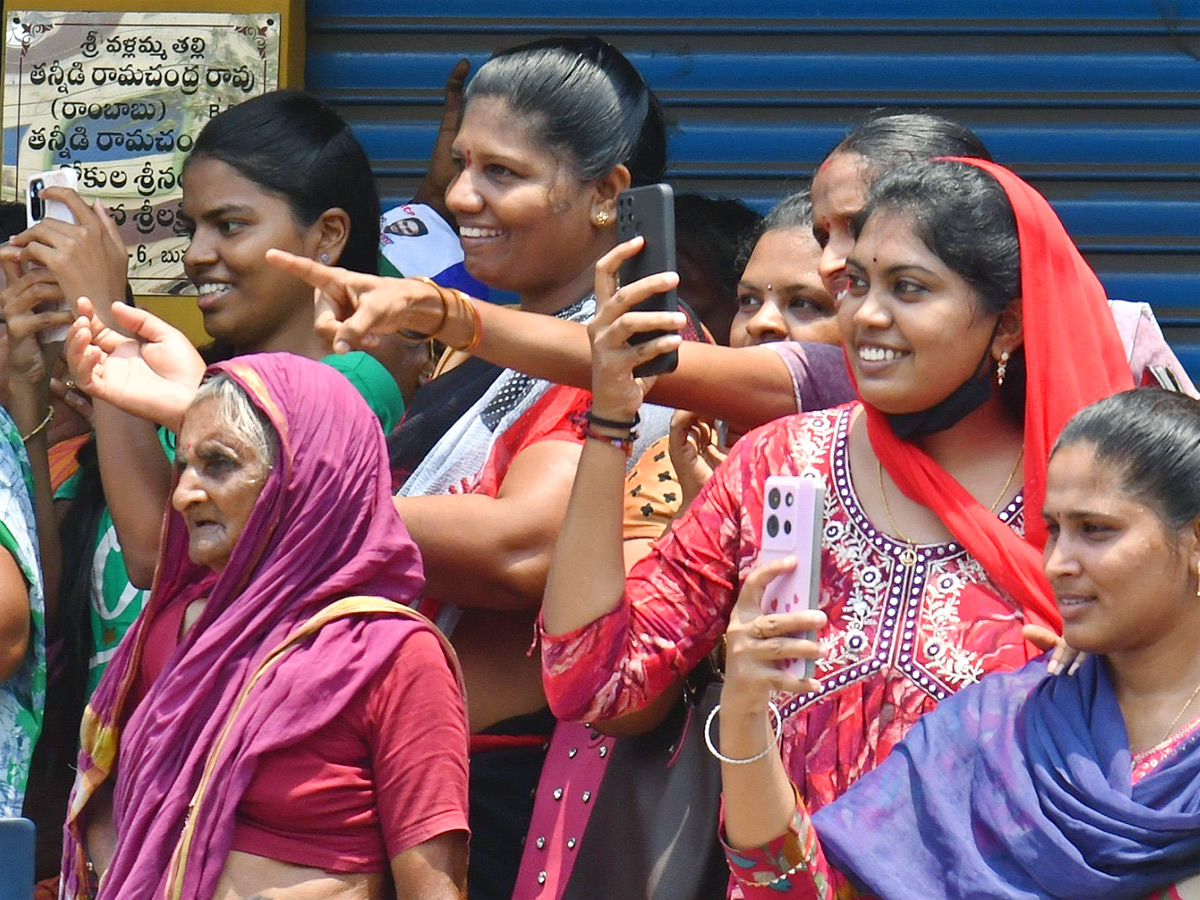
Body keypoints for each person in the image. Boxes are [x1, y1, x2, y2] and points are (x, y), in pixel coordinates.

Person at [84, 36, 675, 900]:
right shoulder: (471, 357)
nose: (462, 194)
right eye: (464, 163)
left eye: (501, 173)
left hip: (502, 793)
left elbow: (522, 549)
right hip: (386, 783)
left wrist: (281, 465)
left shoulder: (645, 358)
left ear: (605, 195)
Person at [537, 157, 1136, 898]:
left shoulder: (1090, 507)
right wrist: (609, 417)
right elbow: (595, 683)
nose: (867, 316)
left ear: (1006, 322)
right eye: (856, 284)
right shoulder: (779, 464)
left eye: (909, 288)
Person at [292, 113, 1191, 437]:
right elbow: (639, 365)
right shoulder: (827, 399)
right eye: (829, 230)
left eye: (871, 242)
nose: (835, 263)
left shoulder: (1116, 368)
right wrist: (443, 311)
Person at [716, 387, 1200, 899]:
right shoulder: (1004, 725)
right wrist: (745, 718)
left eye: (1096, 530)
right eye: (1054, 529)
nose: (1057, 562)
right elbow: (810, 894)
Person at [58, 351, 468, 900]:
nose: (183, 494)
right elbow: (115, 807)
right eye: (183, 466)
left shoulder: (393, 656)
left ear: (309, 478)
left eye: (220, 463)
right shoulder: (178, 633)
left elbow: (435, 888)